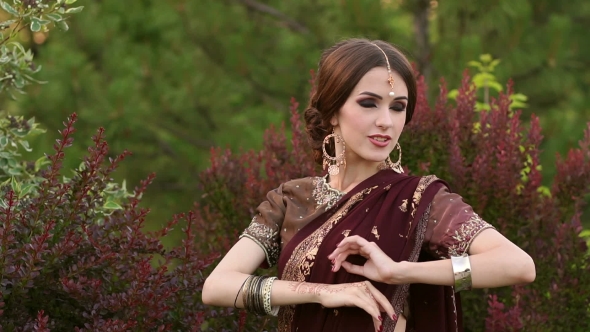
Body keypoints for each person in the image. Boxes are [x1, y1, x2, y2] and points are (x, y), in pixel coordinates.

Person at [202, 38, 535, 332]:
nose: (386, 122)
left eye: (398, 107)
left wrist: (401, 272)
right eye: (368, 103)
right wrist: (325, 292)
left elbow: (517, 265)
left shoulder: (420, 200)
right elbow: (217, 286)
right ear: (333, 110)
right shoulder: (292, 200)